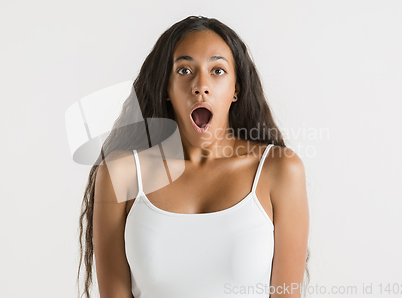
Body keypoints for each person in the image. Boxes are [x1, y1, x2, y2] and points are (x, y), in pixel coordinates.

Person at [77, 16, 310, 298]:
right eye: (185, 70)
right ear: (166, 88)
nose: (201, 85)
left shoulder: (280, 170)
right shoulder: (121, 174)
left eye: (218, 70)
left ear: (236, 89)